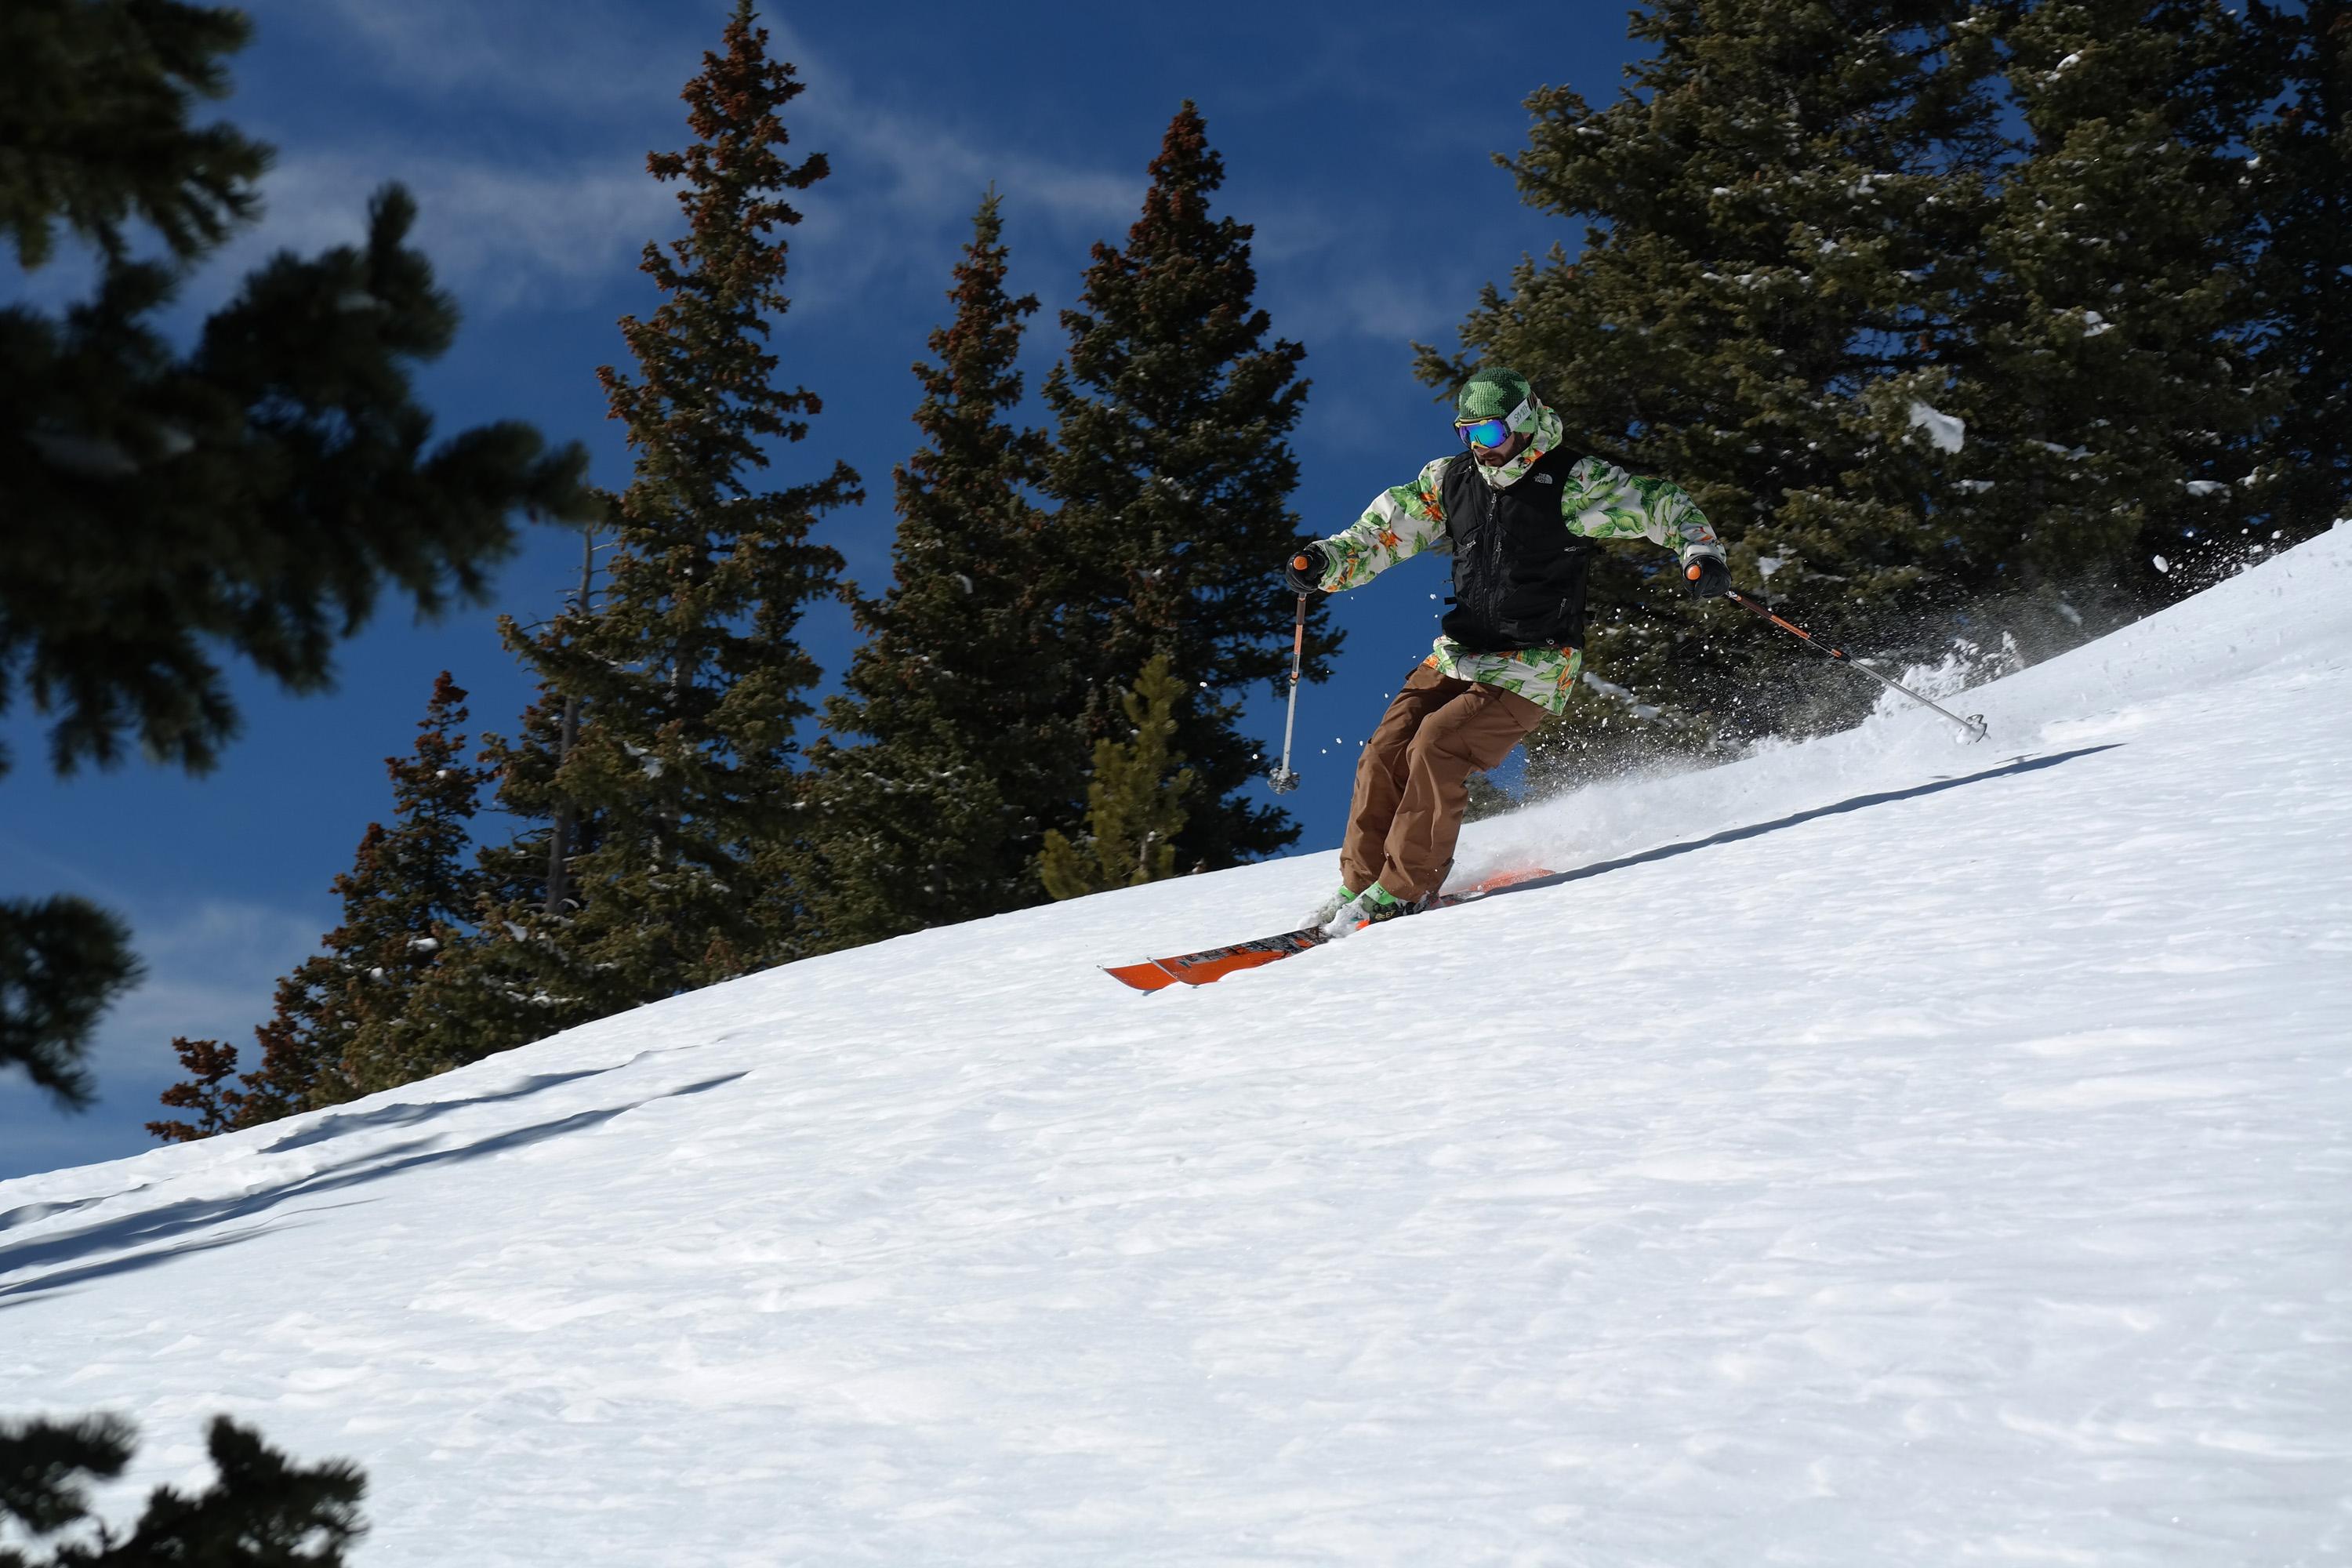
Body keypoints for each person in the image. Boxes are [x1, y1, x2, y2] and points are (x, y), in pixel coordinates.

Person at [1283, 365, 1730, 935]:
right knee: (1384, 752)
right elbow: (1383, 532)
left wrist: (1701, 553)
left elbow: (1659, 504)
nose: (1479, 448)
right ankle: (1360, 884)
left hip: (1536, 663)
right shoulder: (1450, 481)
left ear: (1522, 424)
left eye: (1490, 434)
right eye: (1466, 433)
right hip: (1460, 652)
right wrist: (1327, 562)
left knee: (1437, 745)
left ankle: (1405, 889)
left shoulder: (1573, 481)